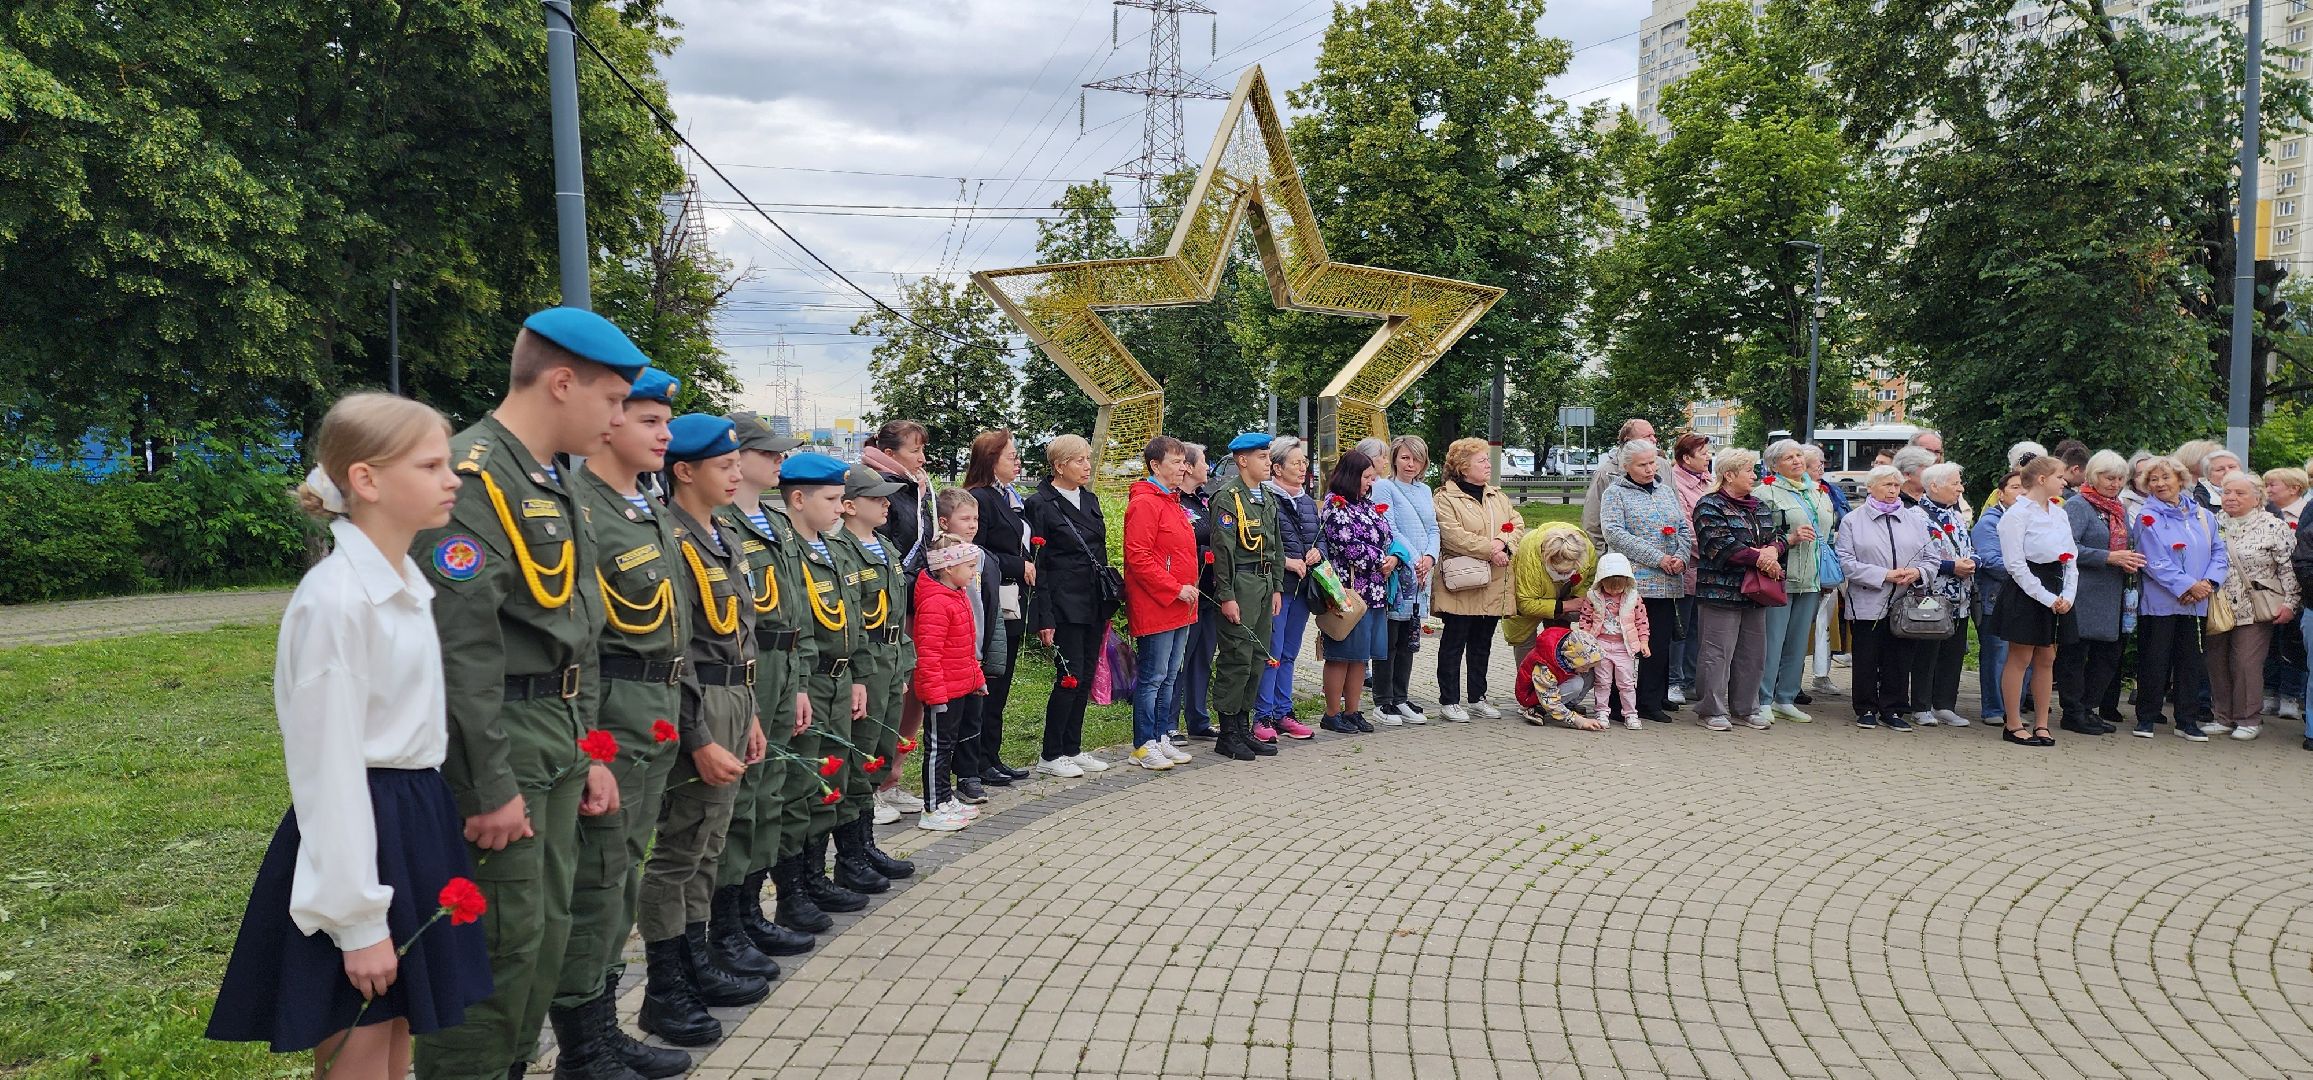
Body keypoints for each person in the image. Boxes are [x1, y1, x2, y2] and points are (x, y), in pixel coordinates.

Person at [208, 394, 490, 1077]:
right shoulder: (336, 600)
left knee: (397, 1035)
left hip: (414, 815)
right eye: (430, 465)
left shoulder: (403, 580)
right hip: (362, 829)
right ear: (365, 480)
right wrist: (358, 922)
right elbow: (326, 768)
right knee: (360, 1038)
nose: (452, 478)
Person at [405, 308, 642, 1080]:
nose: (616, 420)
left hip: (557, 736)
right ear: (562, 382)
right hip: (500, 737)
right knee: (496, 949)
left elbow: (580, 636)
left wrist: (592, 754)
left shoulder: (549, 480)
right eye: (611, 401)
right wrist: (486, 785)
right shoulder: (472, 478)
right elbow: (458, 648)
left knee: (538, 940)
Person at [556, 371, 700, 1079]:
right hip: (611, 722)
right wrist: (592, 749)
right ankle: (582, 1049)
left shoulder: (645, 508)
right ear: (608, 423)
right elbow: (578, 644)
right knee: (599, 883)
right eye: (646, 420)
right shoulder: (579, 511)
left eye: (663, 422)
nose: (663, 435)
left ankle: (604, 1028)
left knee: (620, 880)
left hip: (655, 719)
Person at [640, 414, 778, 1048]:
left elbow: (737, 634)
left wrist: (747, 713)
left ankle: (695, 964)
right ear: (684, 472)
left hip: (733, 695)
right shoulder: (673, 538)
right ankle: (666, 990)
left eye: (735, 463)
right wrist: (697, 736)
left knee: (707, 843)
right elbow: (681, 649)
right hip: (696, 702)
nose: (735, 472)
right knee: (679, 849)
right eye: (722, 465)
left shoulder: (718, 536)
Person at [766, 453, 874, 938]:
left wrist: (852, 672)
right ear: (798, 499)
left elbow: (845, 619)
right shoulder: (788, 549)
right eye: (832, 499)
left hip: (835, 678)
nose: (839, 506)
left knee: (826, 781)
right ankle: (793, 891)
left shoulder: (828, 549)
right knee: (799, 787)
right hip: (806, 681)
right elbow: (795, 626)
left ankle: (814, 876)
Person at [828, 466, 918, 873]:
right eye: (876, 498)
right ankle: (851, 855)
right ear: (848, 507)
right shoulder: (841, 550)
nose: (886, 503)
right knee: (860, 756)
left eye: (886, 497)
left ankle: (864, 846)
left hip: (891, 659)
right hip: (866, 663)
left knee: (879, 753)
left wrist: (902, 665)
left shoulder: (884, 546)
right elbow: (852, 621)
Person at [1023, 435, 1117, 776]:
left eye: (1088, 459)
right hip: (1063, 602)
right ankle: (1051, 753)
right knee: (1070, 676)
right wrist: (1044, 616)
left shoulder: (1089, 499)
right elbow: (1040, 563)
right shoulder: (1040, 503)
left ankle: (1072, 746)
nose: (1087, 466)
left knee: (1087, 673)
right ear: (1059, 465)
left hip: (1094, 600)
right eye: (1079, 460)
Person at [1836, 465, 1940, 732]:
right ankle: (1866, 707)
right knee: (1866, 657)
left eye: (1896, 485)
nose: (1893, 491)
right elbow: (1846, 563)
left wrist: (1917, 573)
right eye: (1886, 485)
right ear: (1870, 488)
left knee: (1899, 657)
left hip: (1905, 603)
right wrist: (1883, 575)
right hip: (1868, 601)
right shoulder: (1853, 520)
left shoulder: (1914, 520)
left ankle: (1893, 709)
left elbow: (1932, 559)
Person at [2131, 456, 2227, 741]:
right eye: (2153, 480)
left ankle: (2187, 720)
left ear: (2181, 480)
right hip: (2160, 603)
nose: (2159, 484)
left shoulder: (2203, 516)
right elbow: (2152, 559)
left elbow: (2219, 553)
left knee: (2190, 662)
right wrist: (2186, 586)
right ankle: (2147, 717)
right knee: (2154, 659)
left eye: (2165, 478)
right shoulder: (2147, 517)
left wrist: (2208, 583)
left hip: (2196, 603)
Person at [1598, 438, 1694, 724]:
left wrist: (1681, 557)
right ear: (1627, 466)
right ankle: (1616, 703)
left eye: (1653, 462)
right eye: (1643, 464)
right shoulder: (1616, 493)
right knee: (1624, 643)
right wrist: (1658, 558)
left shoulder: (1665, 491)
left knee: (1659, 644)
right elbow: (1615, 533)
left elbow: (1682, 529)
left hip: (1668, 583)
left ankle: (1650, 701)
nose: (1650, 468)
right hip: (1633, 583)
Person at [1690, 448, 1783, 733]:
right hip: (1720, 592)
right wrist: (1762, 557)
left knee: (1753, 653)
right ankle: (1711, 709)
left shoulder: (1760, 506)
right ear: (1729, 474)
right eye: (1748, 470)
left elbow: (1777, 537)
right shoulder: (1709, 506)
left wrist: (1774, 549)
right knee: (1717, 653)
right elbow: (1720, 547)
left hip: (1756, 593)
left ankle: (1746, 708)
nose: (1754, 475)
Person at [1122, 436, 1200, 769]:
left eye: (1185, 461)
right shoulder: (1145, 502)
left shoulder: (1171, 500)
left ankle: (1161, 735)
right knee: (1153, 676)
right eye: (1176, 461)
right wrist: (1173, 587)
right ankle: (1142, 743)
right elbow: (1138, 557)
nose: (1183, 467)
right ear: (1155, 465)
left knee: (1170, 674)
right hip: (1159, 603)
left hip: (1181, 603)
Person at [1206, 432, 1286, 760]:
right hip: (1241, 586)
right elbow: (1222, 552)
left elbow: (1277, 546)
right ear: (1243, 460)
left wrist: (1278, 585)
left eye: (1268, 456)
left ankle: (1243, 727)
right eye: (1262, 457)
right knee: (1236, 658)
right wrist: (1226, 595)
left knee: (1257, 658)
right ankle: (1227, 733)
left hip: (1265, 586)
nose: (1269, 463)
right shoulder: (1228, 498)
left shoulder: (1266, 496)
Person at [963, 430, 1037, 781]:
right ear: (991, 460)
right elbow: (974, 550)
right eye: (1011, 455)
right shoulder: (980, 498)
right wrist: (1015, 565)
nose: (1017, 460)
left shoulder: (1007, 496)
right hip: (992, 598)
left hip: (1013, 597)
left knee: (1003, 679)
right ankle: (977, 760)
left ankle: (992, 754)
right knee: (991, 677)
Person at [1431, 437, 1522, 722]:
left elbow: (1516, 524)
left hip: (1494, 581)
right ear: (1462, 467)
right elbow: (1453, 535)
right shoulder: (1445, 498)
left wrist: (1503, 544)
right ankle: (1449, 700)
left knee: (1483, 642)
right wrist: (1490, 549)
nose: (1487, 465)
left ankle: (1478, 697)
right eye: (1481, 460)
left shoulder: (1497, 495)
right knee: (1454, 641)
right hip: (1462, 581)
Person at [1992, 456, 2077, 747]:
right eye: (2060, 476)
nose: (2065, 481)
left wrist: (2067, 595)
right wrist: (2046, 597)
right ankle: (2013, 723)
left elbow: (2071, 557)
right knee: (2021, 656)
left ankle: (2042, 723)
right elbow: (2015, 565)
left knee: (2047, 657)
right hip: (2028, 589)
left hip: (2057, 586)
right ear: (2042, 479)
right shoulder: (2017, 515)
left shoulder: (2059, 513)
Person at [2054, 453, 2140, 737]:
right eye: (2108, 477)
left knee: (2107, 655)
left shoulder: (2118, 508)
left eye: (2119, 479)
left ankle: (2089, 708)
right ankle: (2073, 711)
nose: (2115, 484)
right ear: (2093, 476)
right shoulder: (2078, 506)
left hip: (2113, 592)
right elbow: (2067, 548)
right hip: (2084, 592)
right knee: (2076, 655)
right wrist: (2109, 557)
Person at [2208, 472, 2299, 740]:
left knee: (2246, 662)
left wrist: (2291, 603)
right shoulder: (2212, 522)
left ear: (2257, 498)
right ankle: (2222, 717)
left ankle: (2248, 719)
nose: (2231, 498)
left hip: (2256, 606)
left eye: (2240, 493)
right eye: (2227, 492)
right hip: (2218, 604)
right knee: (2216, 661)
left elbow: (2289, 569)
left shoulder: (2273, 526)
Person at [932, 487, 1008, 799]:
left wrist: (992, 653)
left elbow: (992, 611)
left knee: (974, 717)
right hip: (951, 656)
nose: (973, 524)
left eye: (975, 518)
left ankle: (969, 773)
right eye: (965, 519)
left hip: (976, 652)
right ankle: (941, 787)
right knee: (950, 725)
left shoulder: (984, 558)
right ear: (944, 521)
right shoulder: (939, 561)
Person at [912, 536, 990, 830]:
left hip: (959, 686)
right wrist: (935, 695)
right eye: (969, 566)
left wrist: (977, 679)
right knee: (938, 749)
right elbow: (928, 655)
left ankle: (945, 799)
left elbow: (965, 647)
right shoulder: (935, 602)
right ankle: (932, 808)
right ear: (947, 567)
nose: (974, 572)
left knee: (950, 745)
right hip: (941, 692)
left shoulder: (956, 595)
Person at [1319, 448, 1398, 733]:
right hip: (1349, 591)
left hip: (1374, 590)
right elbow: (1347, 545)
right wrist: (1380, 559)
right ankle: (1331, 713)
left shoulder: (1365, 503)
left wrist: (1393, 558)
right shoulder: (1335, 504)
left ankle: (1353, 711)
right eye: (1366, 477)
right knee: (1341, 654)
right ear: (1352, 475)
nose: (1370, 483)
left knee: (1360, 657)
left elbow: (1386, 533)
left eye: (1373, 477)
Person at [1756, 439, 1832, 724]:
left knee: (1798, 643)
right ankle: (1763, 698)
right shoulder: (1766, 493)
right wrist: (1789, 537)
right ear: (1774, 465)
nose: (1797, 461)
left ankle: (1785, 698)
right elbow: (1761, 535)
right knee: (1773, 641)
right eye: (1789, 458)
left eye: (1799, 455)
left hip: (1811, 579)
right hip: (1781, 577)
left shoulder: (1817, 492)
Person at [1256, 437, 1323, 741]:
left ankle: (1284, 711)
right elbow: (1258, 545)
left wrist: (1318, 551)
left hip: (1303, 590)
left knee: (1290, 652)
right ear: (1277, 468)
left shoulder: (1308, 501)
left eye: (1305, 462)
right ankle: (1263, 715)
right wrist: (1286, 562)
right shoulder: (1265, 498)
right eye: (1296, 463)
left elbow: (1321, 537)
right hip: (1278, 588)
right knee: (1272, 652)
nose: (1303, 468)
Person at [1372, 434, 1440, 725]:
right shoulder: (1384, 487)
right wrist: (1414, 559)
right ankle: (1383, 699)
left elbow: (1434, 528)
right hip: (1399, 572)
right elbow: (1389, 528)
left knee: (1409, 638)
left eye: (1416, 459)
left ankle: (1401, 696)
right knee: (1390, 637)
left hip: (1422, 575)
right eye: (1405, 458)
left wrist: (1430, 558)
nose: (1410, 464)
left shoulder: (1425, 490)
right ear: (1394, 460)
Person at [1906, 463, 1978, 727]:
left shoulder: (1957, 516)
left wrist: (1973, 563)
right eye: (1955, 483)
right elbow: (1914, 555)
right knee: (1927, 651)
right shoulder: (1915, 515)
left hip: (1960, 596)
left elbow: (1970, 547)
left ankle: (1945, 704)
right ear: (1934, 486)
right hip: (1932, 595)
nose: (1961, 488)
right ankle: (1921, 705)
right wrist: (1951, 567)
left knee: (1954, 650)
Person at [1169, 442, 1221, 739]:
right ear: (1187, 466)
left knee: (1203, 657)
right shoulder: (1176, 502)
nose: (1208, 467)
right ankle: (1169, 722)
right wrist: (1205, 550)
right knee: (1180, 660)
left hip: (1210, 591)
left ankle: (1198, 719)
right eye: (1203, 461)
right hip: (1187, 592)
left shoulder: (1204, 501)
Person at [1974, 470, 2025, 728]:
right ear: (2001, 494)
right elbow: (1991, 562)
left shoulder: (2035, 520)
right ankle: (1993, 707)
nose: (2021, 492)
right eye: (2015, 487)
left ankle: (2013, 708)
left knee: (2023, 656)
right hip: (1995, 598)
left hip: (2027, 600)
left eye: (2025, 487)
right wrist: (2028, 572)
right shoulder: (1989, 523)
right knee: (1997, 654)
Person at [1668, 433, 1714, 704]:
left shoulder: (1707, 482)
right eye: (1703, 453)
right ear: (1687, 458)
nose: (1708, 457)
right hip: (1687, 566)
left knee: (1699, 628)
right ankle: (1674, 680)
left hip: (1707, 570)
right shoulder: (1676, 484)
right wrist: (1715, 551)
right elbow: (1686, 528)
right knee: (1680, 628)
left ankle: (1691, 679)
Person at [1578, 553, 1647, 730]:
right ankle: (1601, 712)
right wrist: (1585, 641)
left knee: (1627, 683)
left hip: (1624, 647)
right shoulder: (1593, 597)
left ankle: (1631, 713)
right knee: (1602, 681)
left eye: (1619, 588)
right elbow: (1585, 619)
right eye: (1610, 588)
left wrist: (1644, 642)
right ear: (1601, 582)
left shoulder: (1633, 598)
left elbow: (1641, 621)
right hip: (1601, 645)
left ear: (1627, 582)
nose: (1615, 591)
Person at [1504, 523, 1596, 648]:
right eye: (1559, 572)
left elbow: (1590, 577)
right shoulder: (1529, 557)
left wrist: (1576, 597)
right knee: (1524, 648)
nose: (1564, 575)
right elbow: (1525, 603)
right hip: (1529, 606)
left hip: (1564, 596)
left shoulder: (1587, 549)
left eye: (1569, 571)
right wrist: (1565, 606)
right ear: (1546, 558)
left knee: (1559, 647)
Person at [1515, 626, 1608, 729]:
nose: (1586, 670)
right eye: (1584, 666)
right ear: (1572, 658)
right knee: (1577, 683)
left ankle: (1566, 706)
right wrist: (1578, 721)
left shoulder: (1566, 652)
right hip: (1532, 695)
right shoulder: (1544, 664)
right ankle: (1537, 708)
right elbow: (1549, 699)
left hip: (1554, 684)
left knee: (1589, 676)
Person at [1582, 418, 1656, 545]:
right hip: (1622, 560)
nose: (1654, 440)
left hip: (1669, 561)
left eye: (1654, 435)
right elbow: (1592, 523)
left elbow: (1678, 515)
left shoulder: (1664, 467)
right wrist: (1605, 556)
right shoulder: (1606, 473)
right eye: (1647, 436)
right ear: (1628, 441)